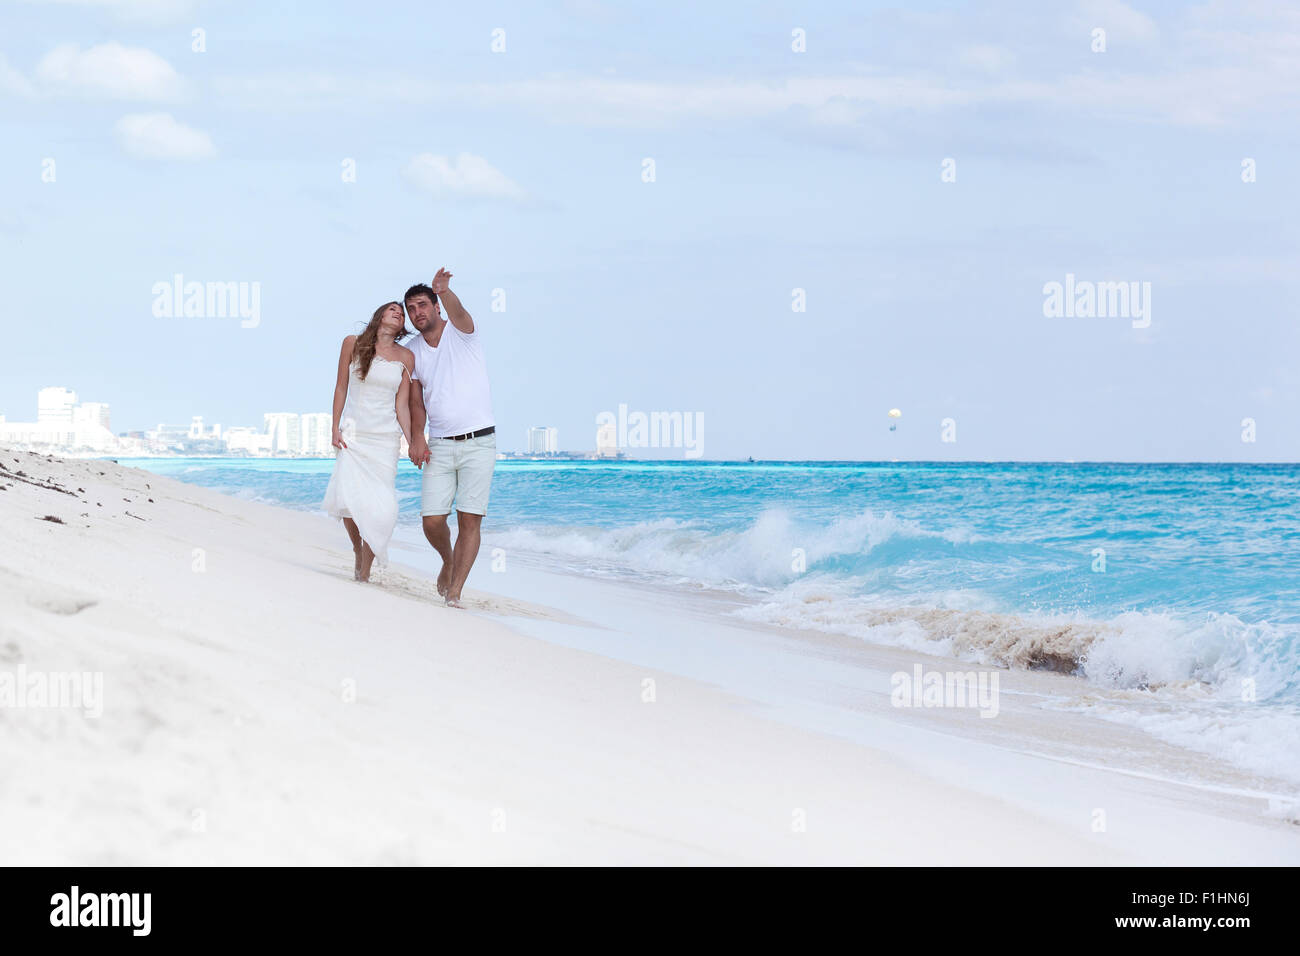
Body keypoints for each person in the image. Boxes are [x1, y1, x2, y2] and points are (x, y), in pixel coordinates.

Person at [405, 268, 495, 608]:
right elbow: (416, 401)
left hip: (480, 441)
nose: (417, 313)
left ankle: (455, 593)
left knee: (469, 518)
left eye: (422, 305)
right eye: (411, 309)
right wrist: (417, 437)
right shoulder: (413, 351)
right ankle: (447, 559)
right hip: (440, 444)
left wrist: (444, 290)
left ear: (436, 306)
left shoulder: (462, 333)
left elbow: (461, 312)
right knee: (432, 520)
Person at [321, 301, 416, 582]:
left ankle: (364, 572)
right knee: (348, 500)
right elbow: (341, 386)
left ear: (402, 326)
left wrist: (412, 441)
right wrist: (334, 427)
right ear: (380, 315)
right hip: (354, 433)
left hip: (385, 439)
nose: (397, 314)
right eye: (392, 310)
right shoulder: (353, 343)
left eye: (401, 313)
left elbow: (402, 405)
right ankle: (358, 550)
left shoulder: (406, 357)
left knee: (383, 507)